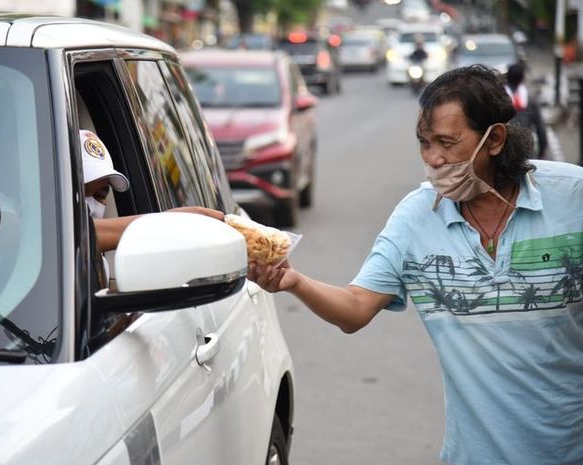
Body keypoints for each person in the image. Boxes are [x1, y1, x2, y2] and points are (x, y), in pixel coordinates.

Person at [248, 65, 583, 465]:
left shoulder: (572, 197)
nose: (434, 158)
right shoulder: (415, 217)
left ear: (494, 139)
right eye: (424, 143)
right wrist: (294, 281)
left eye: (447, 142)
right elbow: (355, 309)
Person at [80, 129, 223, 288]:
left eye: (100, 195)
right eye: (80, 191)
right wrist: (170, 223)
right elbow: (75, 234)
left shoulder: (101, 264)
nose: (90, 205)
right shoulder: (55, 244)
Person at [505, 62, 548, 159]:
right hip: (525, 147)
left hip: (503, 148)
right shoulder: (530, 99)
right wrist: (542, 149)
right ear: (522, 78)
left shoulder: (499, 98)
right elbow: (540, 127)